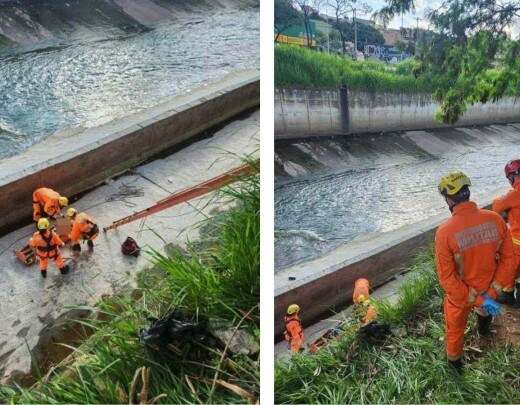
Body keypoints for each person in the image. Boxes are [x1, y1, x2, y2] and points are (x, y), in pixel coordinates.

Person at [436, 171, 516, 372]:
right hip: (490, 288)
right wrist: (491, 292)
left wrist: (475, 298)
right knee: (486, 309)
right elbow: (510, 259)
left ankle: (455, 369)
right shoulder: (495, 220)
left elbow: (447, 277)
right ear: (468, 193)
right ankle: (484, 332)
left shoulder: (444, 232)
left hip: (461, 296)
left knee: (455, 331)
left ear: (448, 199)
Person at [492, 159, 520, 306]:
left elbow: (496, 206)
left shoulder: (514, 194)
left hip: (518, 241)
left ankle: (507, 293)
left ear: (512, 176)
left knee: (509, 263)